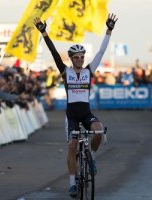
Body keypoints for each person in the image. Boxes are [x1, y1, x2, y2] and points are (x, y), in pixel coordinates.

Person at [34, 13, 118, 198]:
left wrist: (109, 30)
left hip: (86, 113)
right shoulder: (65, 72)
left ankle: (93, 158)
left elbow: (101, 52)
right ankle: (72, 183)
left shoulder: (89, 70)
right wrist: (44, 33)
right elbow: (54, 53)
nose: (80, 59)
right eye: (77, 57)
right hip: (72, 115)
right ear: (71, 58)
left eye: (82, 57)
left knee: (98, 130)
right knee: (72, 146)